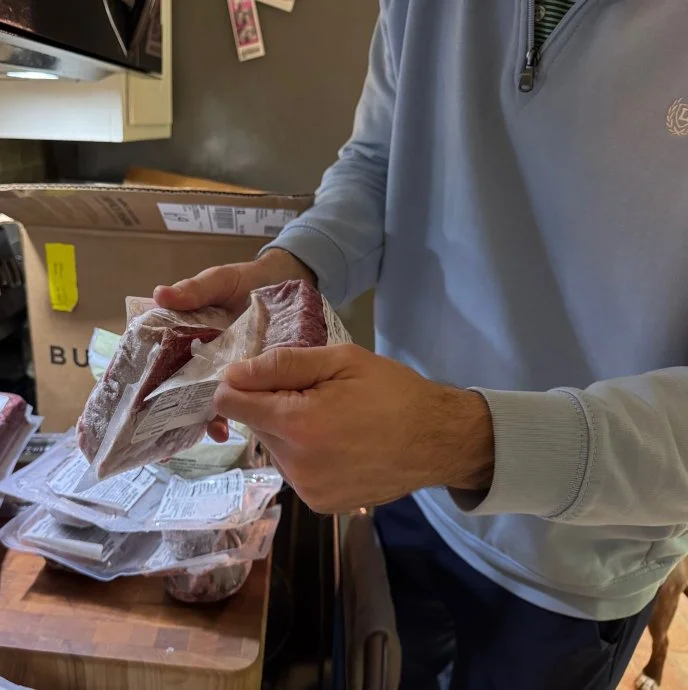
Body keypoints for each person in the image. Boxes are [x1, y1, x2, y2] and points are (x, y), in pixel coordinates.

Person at [154, 1, 688, 688]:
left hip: (581, 559)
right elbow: (379, 163)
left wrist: (459, 437)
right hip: (404, 485)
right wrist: (289, 273)